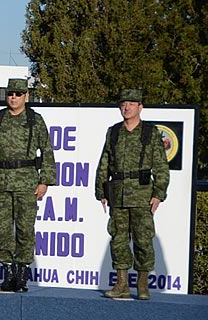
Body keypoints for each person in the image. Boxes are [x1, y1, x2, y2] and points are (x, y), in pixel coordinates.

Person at [0, 78, 56, 293]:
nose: (13, 97)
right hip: (0, 181)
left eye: (18, 94)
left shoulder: (35, 120)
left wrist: (45, 181)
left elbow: (47, 151)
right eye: (10, 93)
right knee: (2, 229)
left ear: (26, 96)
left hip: (27, 181)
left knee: (25, 229)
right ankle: (8, 272)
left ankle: (22, 273)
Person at [95, 89, 169, 300]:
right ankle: (122, 284)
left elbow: (161, 167)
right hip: (118, 194)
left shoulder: (150, 133)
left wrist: (158, 193)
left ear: (140, 107)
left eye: (131, 104)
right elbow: (105, 162)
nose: (126, 108)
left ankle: (143, 284)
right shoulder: (114, 132)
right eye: (123, 104)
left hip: (142, 194)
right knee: (118, 239)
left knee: (143, 239)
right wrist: (101, 190)